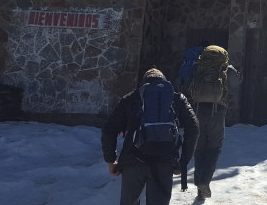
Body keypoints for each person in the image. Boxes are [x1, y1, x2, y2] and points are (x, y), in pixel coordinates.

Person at [102, 67, 199, 205]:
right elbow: (194, 128)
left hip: (133, 160)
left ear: (143, 83)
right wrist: (183, 162)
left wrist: (110, 160)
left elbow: (109, 129)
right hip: (164, 161)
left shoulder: (131, 97)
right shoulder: (177, 98)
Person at [179, 45, 243, 200]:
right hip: (217, 111)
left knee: (199, 147)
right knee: (214, 147)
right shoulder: (225, 68)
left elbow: (184, 81)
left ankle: (199, 185)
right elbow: (237, 82)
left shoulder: (197, 66)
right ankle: (205, 181)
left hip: (198, 110)